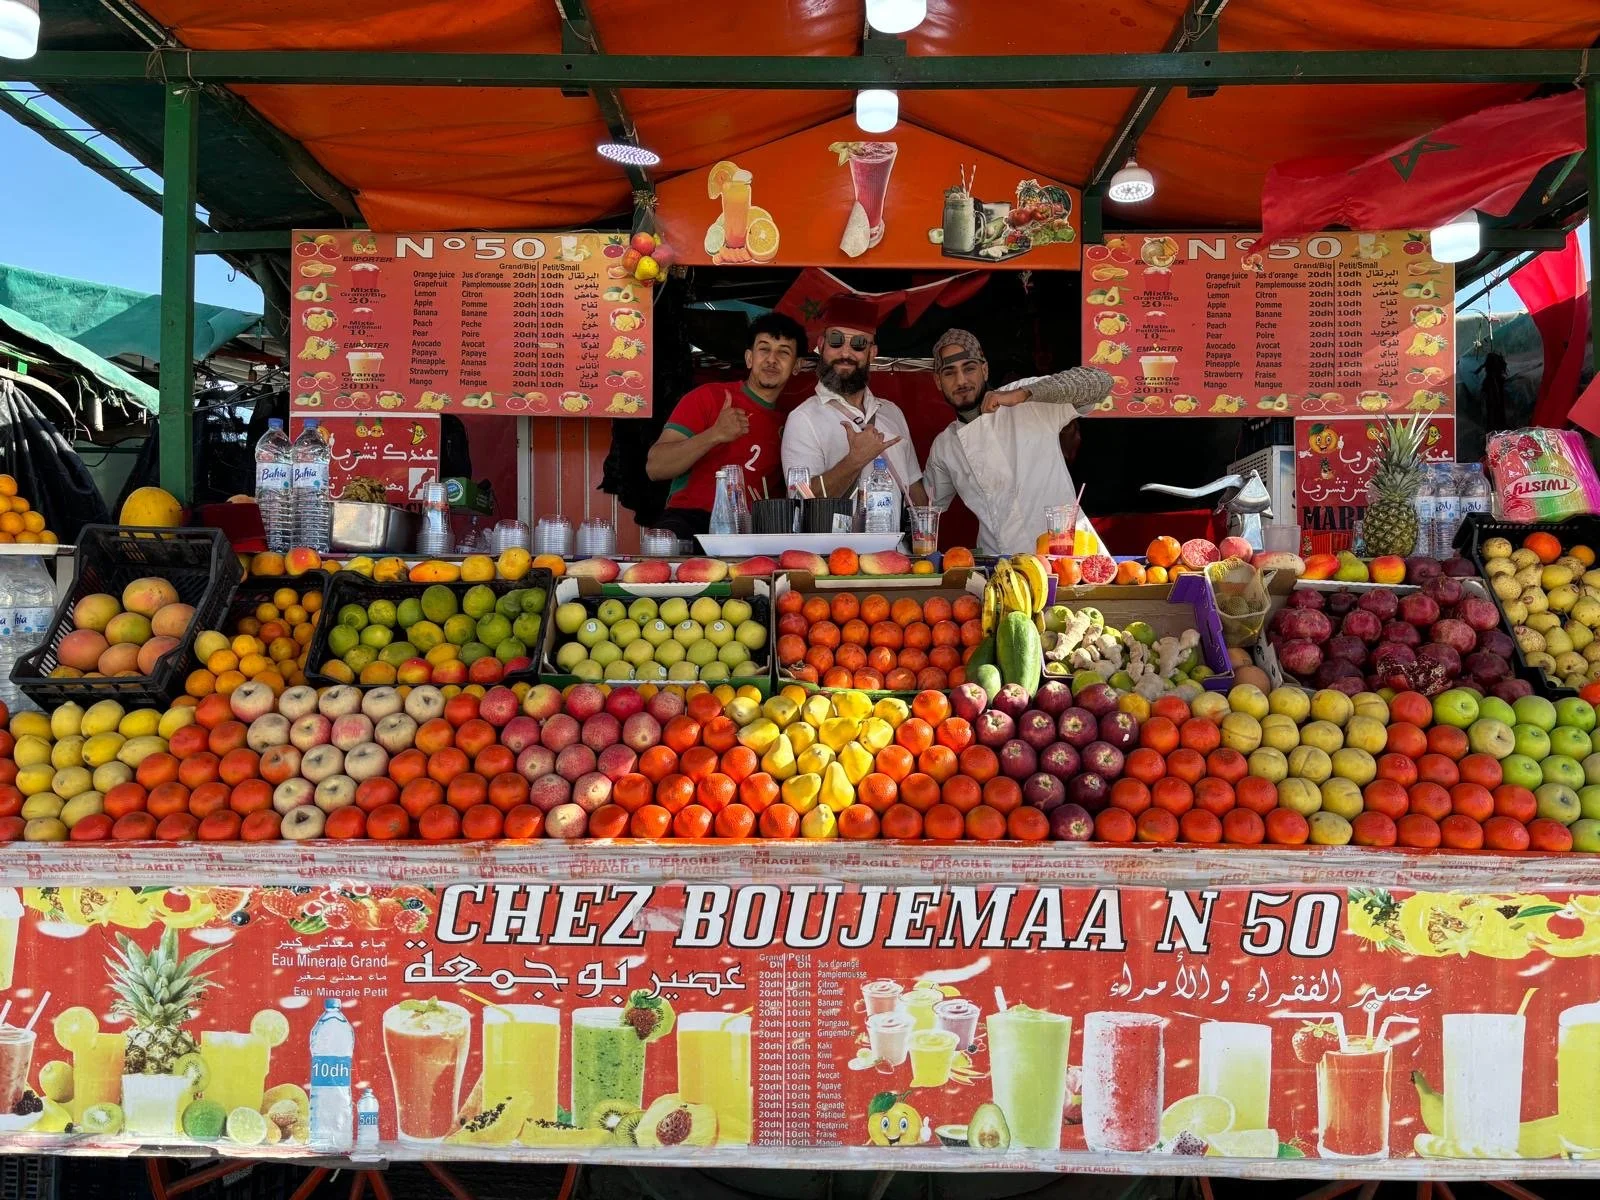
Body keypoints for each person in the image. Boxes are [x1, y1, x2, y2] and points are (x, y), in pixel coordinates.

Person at [922, 328, 1112, 556]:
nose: (961, 380)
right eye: (949, 373)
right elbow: (926, 513)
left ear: (985, 369)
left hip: (1069, 560)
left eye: (969, 368)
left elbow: (1101, 382)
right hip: (1001, 568)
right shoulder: (944, 447)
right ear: (937, 381)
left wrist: (1022, 395)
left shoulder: (1029, 398)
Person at [645, 311, 807, 539]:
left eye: (784, 352)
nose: (772, 359)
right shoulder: (708, 397)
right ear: (749, 358)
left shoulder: (794, 422)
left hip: (753, 532)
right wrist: (715, 434)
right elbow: (655, 467)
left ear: (797, 365)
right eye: (764, 349)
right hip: (691, 520)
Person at [781, 296, 926, 527]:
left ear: (872, 352)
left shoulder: (892, 412)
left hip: (896, 556)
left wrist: (923, 545)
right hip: (834, 559)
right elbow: (801, 501)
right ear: (821, 345)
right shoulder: (803, 419)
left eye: (859, 343)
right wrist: (854, 461)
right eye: (836, 341)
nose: (845, 353)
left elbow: (914, 488)